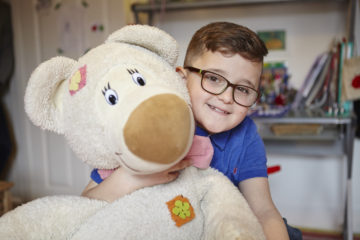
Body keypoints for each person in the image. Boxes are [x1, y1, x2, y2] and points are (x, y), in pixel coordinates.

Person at [82, 21, 302, 240]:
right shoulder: (149, 122)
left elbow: (263, 210)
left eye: (243, 89)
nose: (226, 98)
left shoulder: (245, 134)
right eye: (214, 78)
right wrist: (133, 178)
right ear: (182, 78)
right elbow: (85, 202)